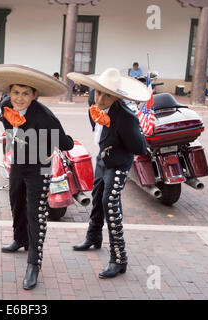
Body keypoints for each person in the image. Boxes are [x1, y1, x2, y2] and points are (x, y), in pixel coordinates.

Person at [0, 64, 74, 289]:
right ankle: (19, 239)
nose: (19, 98)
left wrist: (58, 140)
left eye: (25, 93)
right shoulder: (5, 106)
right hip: (18, 162)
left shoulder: (45, 117)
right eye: (15, 93)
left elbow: (65, 143)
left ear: (34, 95)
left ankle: (34, 262)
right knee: (15, 200)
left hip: (40, 166)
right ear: (8, 93)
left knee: (36, 212)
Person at [67, 68, 149, 278]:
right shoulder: (92, 106)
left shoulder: (126, 118)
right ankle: (94, 237)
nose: (101, 98)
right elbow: (99, 132)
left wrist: (119, 140)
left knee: (109, 204)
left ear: (117, 97)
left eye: (107, 95)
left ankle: (119, 259)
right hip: (103, 159)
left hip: (119, 164)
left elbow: (139, 148)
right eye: (98, 92)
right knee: (97, 197)